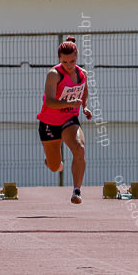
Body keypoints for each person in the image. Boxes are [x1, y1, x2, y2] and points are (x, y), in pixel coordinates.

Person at [37, 36, 92, 204]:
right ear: (59, 59)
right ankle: (53, 161)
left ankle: (77, 191)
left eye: (72, 61)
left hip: (69, 119)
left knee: (79, 148)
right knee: (54, 167)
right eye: (65, 62)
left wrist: (85, 107)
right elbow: (51, 101)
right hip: (49, 122)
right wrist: (69, 102)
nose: (69, 66)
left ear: (77, 57)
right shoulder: (54, 74)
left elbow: (84, 93)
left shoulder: (83, 74)